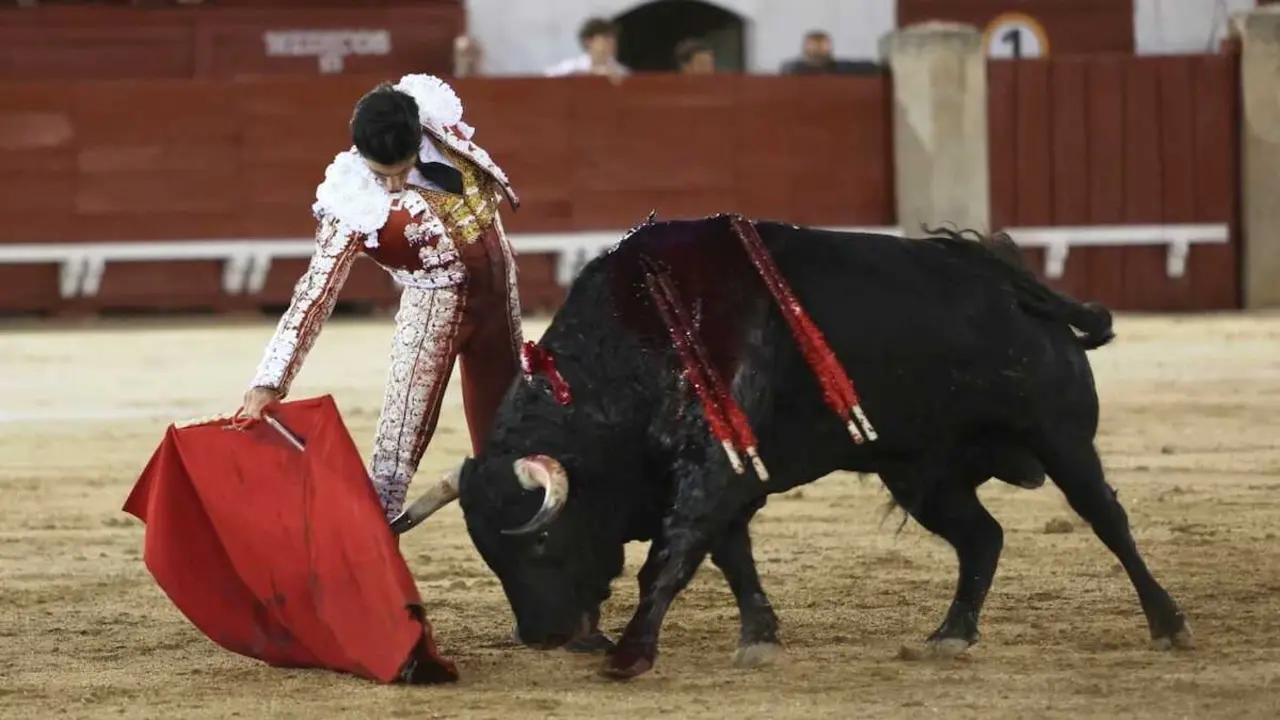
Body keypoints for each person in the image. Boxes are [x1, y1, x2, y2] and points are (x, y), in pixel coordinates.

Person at [240, 74, 523, 522]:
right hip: (432, 311)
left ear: (419, 139)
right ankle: (373, 549)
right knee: (396, 449)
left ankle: (519, 530)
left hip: (500, 295)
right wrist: (269, 382)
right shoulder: (350, 199)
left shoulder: (441, 128)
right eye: (380, 174)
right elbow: (315, 294)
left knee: (512, 425)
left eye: (402, 170)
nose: (392, 187)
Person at [544, 17, 629, 80]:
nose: (611, 43)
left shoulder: (622, 72)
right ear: (589, 41)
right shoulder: (573, 67)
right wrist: (588, 73)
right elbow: (546, 77)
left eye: (613, 39)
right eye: (606, 38)